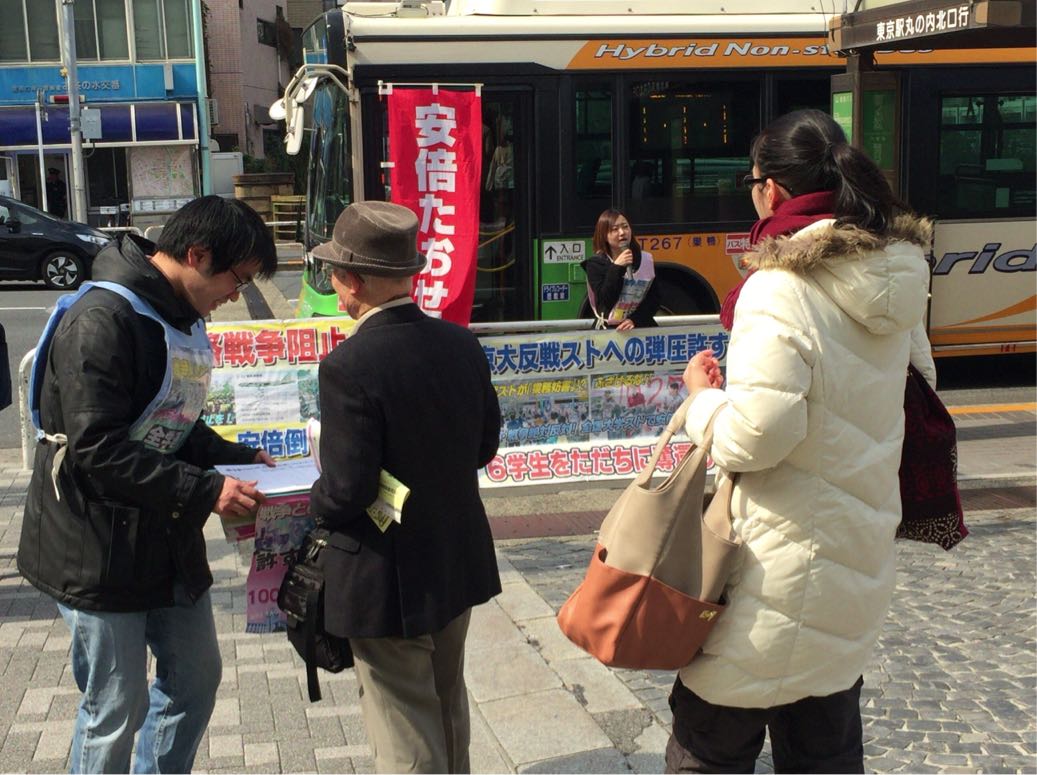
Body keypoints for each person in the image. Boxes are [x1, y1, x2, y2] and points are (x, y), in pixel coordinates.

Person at [669, 109, 933, 773]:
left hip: (769, 577)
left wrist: (701, 401)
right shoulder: (894, 275)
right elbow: (918, 391)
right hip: (854, 568)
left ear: (771, 190)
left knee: (708, 748)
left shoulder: (778, 288)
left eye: (751, 182)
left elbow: (754, 437)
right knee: (825, 749)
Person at [17, 195, 279, 774]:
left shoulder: (179, 314)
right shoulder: (103, 320)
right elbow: (97, 447)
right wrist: (206, 491)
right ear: (198, 254)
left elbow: (174, 418)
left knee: (196, 679)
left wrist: (238, 457)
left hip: (162, 532)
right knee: (117, 704)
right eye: (237, 280)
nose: (235, 296)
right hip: (94, 542)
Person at [308, 201, 502, 774]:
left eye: (334, 273)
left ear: (352, 281)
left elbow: (346, 490)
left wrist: (308, 500)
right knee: (446, 702)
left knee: (402, 723)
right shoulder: (460, 344)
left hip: (385, 571)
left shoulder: (348, 365)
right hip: (454, 555)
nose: (334, 285)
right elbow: (485, 448)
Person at [581, 208, 661, 330]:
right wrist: (617, 268)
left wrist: (635, 320)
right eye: (615, 229)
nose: (622, 232)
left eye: (625, 227)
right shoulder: (595, 264)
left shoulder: (645, 259)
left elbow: (654, 299)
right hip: (609, 330)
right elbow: (606, 300)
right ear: (604, 235)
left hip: (639, 327)